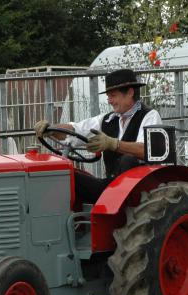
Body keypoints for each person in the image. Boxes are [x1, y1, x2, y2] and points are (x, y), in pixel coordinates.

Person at [34, 68, 162, 203]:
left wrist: (113, 144)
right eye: (108, 96)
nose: (109, 101)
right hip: (113, 185)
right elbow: (77, 129)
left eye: (113, 95)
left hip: (138, 190)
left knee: (71, 178)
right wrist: (52, 129)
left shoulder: (150, 116)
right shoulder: (108, 120)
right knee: (66, 176)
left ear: (130, 92)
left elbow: (148, 149)